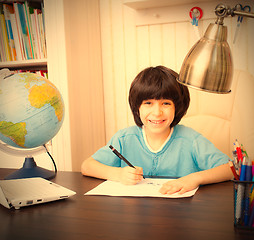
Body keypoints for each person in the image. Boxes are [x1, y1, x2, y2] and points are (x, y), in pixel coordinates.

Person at [81, 66, 233, 194]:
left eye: (166, 103)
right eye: (148, 103)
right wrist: (118, 174)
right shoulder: (124, 138)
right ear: (137, 107)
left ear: (177, 106)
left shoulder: (190, 139)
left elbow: (230, 168)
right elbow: (87, 166)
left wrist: (193, 178)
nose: (157, 112)